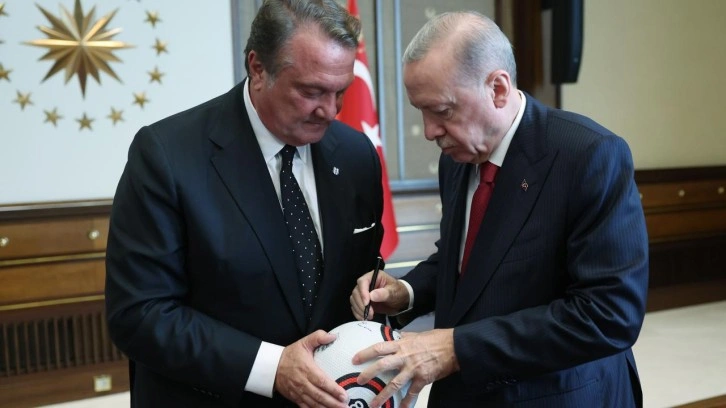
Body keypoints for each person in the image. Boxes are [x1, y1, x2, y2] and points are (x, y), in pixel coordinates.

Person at [349, 11, 649, 408]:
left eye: (442, 111)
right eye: (420, 110)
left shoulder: (588, 155)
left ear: (498, 89)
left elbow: (608, 314)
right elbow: (470, 261)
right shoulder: (457, 160)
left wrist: (456, 348)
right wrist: (406, 292)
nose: (429, 131)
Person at [105, 1, 385, 407]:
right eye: (311, 92)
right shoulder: (167, 154)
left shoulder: (356, 154)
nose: (330, 110)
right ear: (258, 68)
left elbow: (358, 279)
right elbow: (140, 314)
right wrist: (272, 367)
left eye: (341, 91)